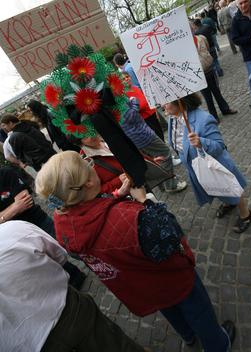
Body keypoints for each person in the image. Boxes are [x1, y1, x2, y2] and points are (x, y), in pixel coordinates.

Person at [35, 150, 235, 352]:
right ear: (87, 183)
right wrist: (144, 201)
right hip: (171, 277)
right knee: (198, 311)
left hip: (139, 284)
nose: (91, 164)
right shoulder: (130, 218)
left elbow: (90, 225)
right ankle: (218, 344)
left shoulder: (62, 222)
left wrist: (116, 196)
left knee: (167, 307)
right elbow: (170, 236)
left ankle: (188, 337)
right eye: (87, 163)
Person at [0, 220, 146, 352]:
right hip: (68, 311)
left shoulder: (11, 231)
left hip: (31, 342)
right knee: (117, 345)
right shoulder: (12, 231)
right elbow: (60, 256)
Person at [165, 93, 251, 234]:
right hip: (195, 165)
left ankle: (246, 214)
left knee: (231, 187)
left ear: (180, 103)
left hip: (214, 163)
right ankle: (228, 202)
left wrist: (201, 142)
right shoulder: (172, 118)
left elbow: (219, 146)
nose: (163, 105)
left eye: (167, 101)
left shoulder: (204, 119)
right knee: (214, 186)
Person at [0, 166, 86, 289]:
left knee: (72, 246)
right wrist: (14, 208)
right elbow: (18, 206)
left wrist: (3, 216)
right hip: (15, 238)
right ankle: (74, 278)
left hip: (39, 222)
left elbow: (25, 201)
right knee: (46, 260)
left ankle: (97, 262)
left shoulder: (5, 173)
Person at [121, 97, 187, 193]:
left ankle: (162, 185)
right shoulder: (116, 100)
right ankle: (170, 185)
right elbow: (130, 115)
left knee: (155, 159)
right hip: (142, 136)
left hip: (138, 135)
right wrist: (134, 101)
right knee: (165, 154)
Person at [193, 32, 238, 122]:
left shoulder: (201, 38)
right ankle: (214, 116)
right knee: (208, 97)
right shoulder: (185, 45)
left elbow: (207, 49)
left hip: (209, 69)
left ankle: (225, 109)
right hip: (199, 74)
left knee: (217, 91)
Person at [122, 72, 165, 140]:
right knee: (156, 138)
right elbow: (133, 110)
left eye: (127, 77)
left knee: (161, 135)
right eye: (123, 79)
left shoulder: (136, 88)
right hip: (145, 120)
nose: (126, 79)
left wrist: (155, 111)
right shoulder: (125, 95)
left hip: (153, 115)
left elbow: (147, 100)